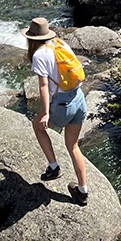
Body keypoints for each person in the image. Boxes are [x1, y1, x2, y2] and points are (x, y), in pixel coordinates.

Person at [23, 16, 89, 206]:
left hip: (62, 104)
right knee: (73, 146)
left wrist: (45, 112)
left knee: (37, 126)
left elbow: (44, 86)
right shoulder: (60, 44)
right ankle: (82, 191)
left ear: (32, 38)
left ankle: (53, 167)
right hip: (78, 99)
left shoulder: (39, 55)